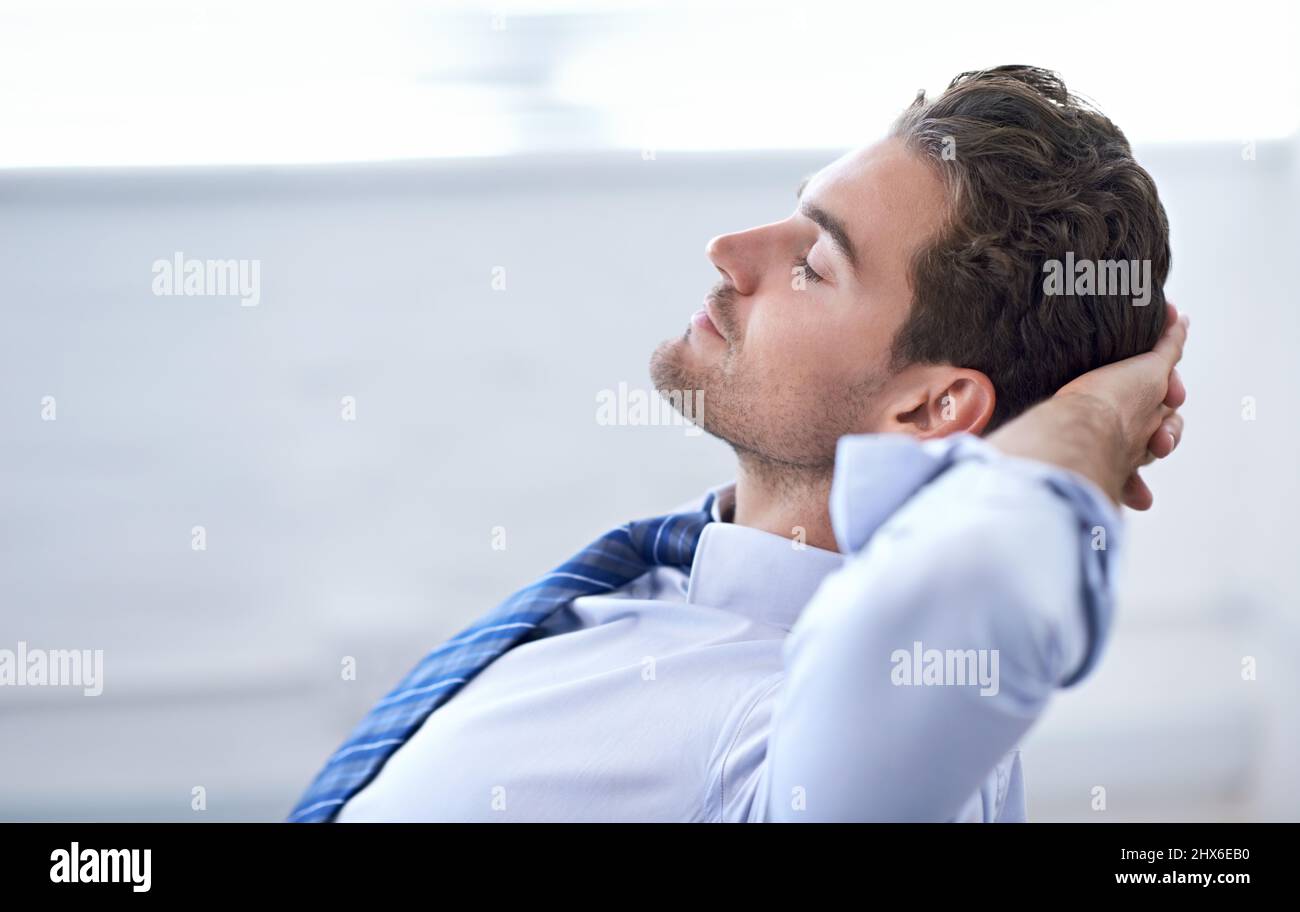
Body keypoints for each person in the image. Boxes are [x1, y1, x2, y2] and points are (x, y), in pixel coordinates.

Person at [290, 66, 1188, 822]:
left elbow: (963, 591)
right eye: (794, 213)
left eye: (816, 263)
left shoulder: (811, 735)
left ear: (928, 409)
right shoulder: (669, 579)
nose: (728, 248)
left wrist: (1102, 419)